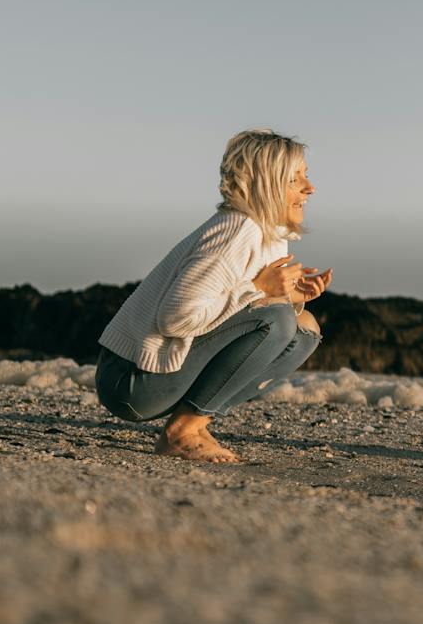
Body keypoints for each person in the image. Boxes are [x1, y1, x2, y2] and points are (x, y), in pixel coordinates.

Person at [94, 129, 334, 463]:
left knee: (303, 327)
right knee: (277, 322)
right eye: (295, 180)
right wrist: (263, 290)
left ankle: (193, 422)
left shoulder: (269, 236)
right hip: (129, 380)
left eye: (305, 177)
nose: (310, 188)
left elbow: (236, 307)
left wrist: (288, 294)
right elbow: (175, 318)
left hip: (156, 374)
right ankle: (181, 433)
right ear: (266, 184)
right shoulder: (237, 230)